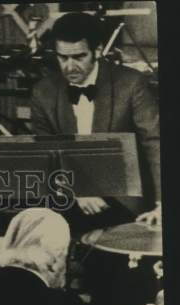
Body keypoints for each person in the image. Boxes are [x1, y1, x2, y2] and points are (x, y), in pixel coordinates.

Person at [30, 11, 161, 227]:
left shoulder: (131, 83)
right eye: (62, 57)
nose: (70, 67)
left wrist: (163, 205)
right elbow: (47, 155)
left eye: (79, 57)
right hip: (70, 197)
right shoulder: (43, 91)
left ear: (98, 50)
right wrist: (76, 190)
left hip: (123, 199)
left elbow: (155, 143)